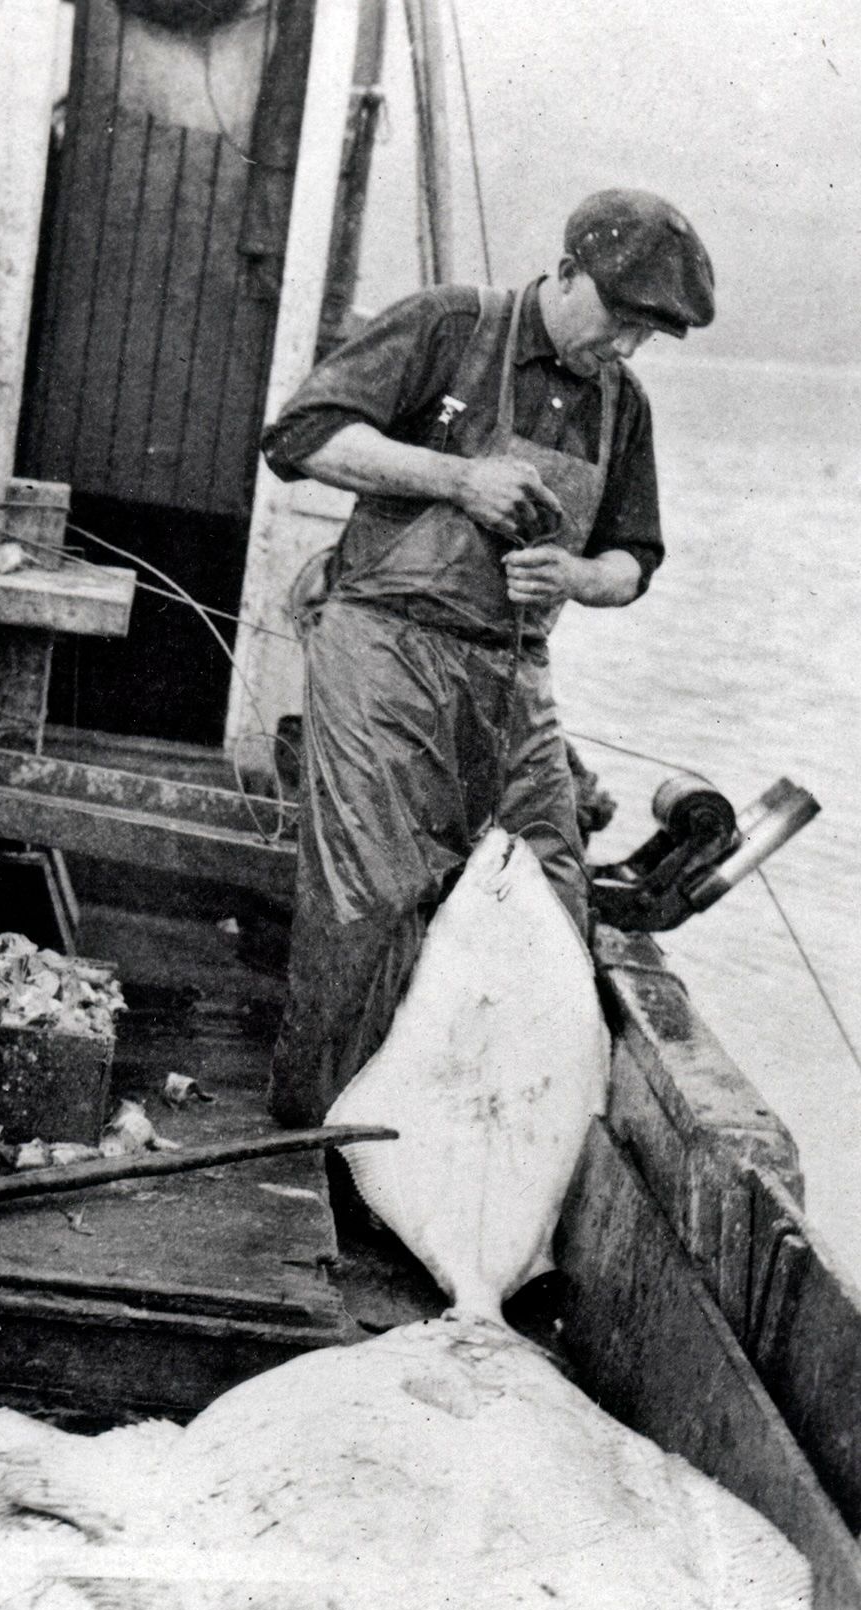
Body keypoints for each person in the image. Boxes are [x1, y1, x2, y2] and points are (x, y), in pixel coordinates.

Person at [261, 187, 715, 1127]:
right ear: (566, 271)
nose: (624, 349)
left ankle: (463, 1149)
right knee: (372, 901)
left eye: (645, 337)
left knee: (550, 906)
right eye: (620, 321)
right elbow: (301, 437)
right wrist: (456, 476)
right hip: (383, 644)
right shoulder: (449, 324)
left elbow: (637, 562)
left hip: (515, 675)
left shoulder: (621, 406)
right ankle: (315, 1139)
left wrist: (578, 579)